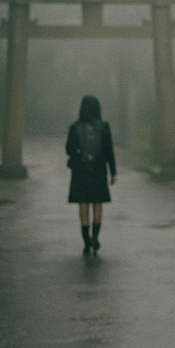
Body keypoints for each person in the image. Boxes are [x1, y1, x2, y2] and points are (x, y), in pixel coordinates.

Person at [66, 95, 117, 255]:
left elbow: (69, 149)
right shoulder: (104, 127)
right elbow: (109, 151)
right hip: (98, 168)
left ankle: (86, 241)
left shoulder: (75, 127)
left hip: (81, 170)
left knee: (83, 204)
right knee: (97, 203)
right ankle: (95, 237)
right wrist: (113, 172)